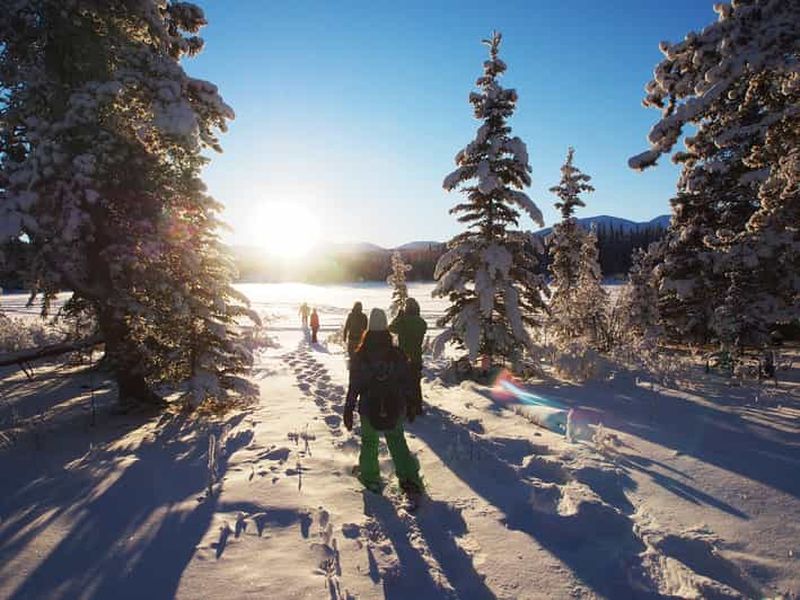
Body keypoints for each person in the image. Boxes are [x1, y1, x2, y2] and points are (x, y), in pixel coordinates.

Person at [344, 308, 424, 497]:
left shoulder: (360, 355)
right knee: (396, 440)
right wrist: (412, 403)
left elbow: (354, 384)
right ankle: (409, 478)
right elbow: (407, 381)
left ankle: (371, 479)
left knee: (369, 442)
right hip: (394, 406)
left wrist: (348, 408)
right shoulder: (397, 354)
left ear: (369, 328)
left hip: (368, 408)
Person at [389, 297, 427, 419]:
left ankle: (407, 407)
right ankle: (418, 407)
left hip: (404, 357)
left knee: (403, 383)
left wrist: (399, 317)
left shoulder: (403, 321)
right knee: (416, 383)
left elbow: (391, 328)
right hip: (416, 356)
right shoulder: (422, 322)